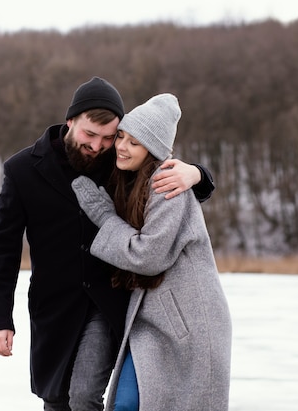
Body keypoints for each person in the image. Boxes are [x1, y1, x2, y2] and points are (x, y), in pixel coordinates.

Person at [0, 77, 216, 411]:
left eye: (109, 137)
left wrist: (197, 174)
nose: (98, 146)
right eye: (89, 135)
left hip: (107, 301)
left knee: (84, 396)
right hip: (54, 307)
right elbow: (1, 249)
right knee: (56, 399)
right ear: (70, 122)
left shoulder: (119, 160)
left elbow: (163, 173)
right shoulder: (22, 170)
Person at [71, 93, 232, 411]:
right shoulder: (127, 178)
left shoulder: (166, 184)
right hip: (153, 323)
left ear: (154, 150)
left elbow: (148, 257)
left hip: (188, 323)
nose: (122, 146)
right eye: (122, 136)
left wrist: (104, 218)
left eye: (135, 142)